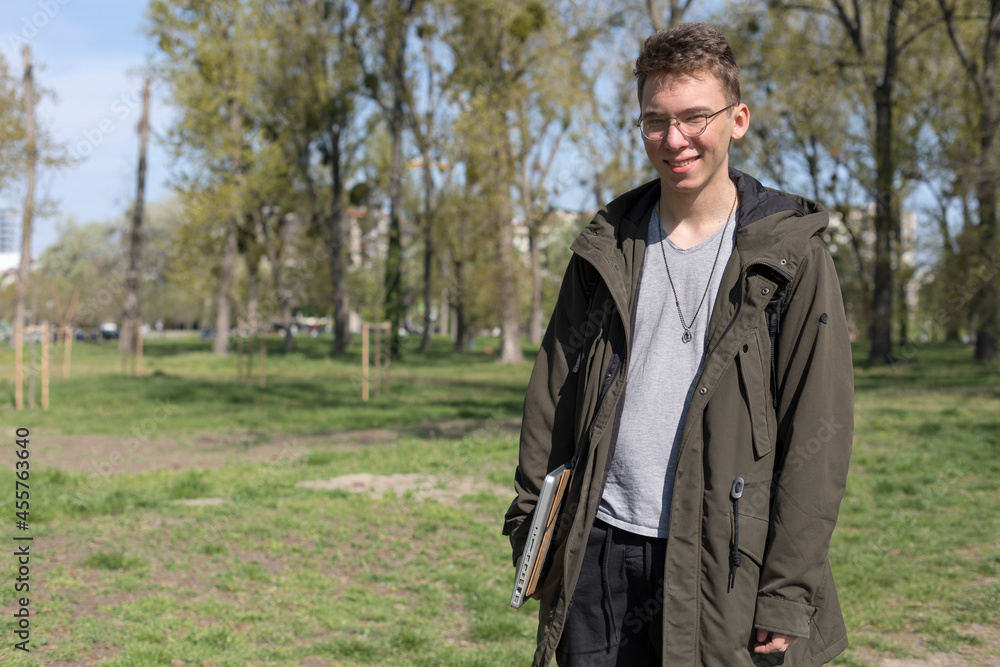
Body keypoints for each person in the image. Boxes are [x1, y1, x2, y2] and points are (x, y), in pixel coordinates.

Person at [503, 22, 854, 667]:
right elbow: (552, 391)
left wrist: (786, 591)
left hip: (725, 560)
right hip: (599, 549)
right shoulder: (606, 247)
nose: (674, 139)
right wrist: (533, 529)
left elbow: (819, 434)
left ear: (738, 119)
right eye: (655, 121)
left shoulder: (791, 256)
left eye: (695, 117)